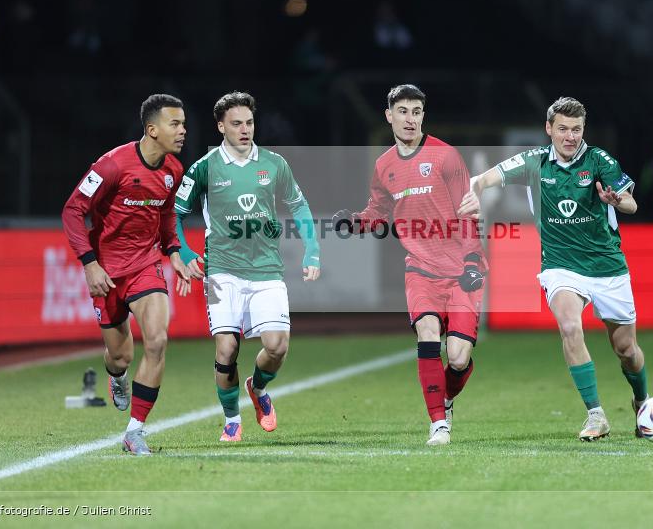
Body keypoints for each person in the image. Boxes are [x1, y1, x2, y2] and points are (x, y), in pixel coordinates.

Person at [459, 97, 648, 441]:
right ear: (549, 129)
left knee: (627, 352)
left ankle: (642, 401)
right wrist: (474, 192)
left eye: (576, 129)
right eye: (563, 129)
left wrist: (619, 201)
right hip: (561, 267)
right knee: (570, 326)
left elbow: (632, 202)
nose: (570, 136)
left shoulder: (598, 160)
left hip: (607, 266)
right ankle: (596, 416)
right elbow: (482, 179)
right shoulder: (534, 162)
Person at [333, 84, 486, 446]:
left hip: (462, 270)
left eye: (416, 111)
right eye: (402, 111)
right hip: (420, 269)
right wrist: (356, 223)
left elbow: (468, 213)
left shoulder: (446, 156)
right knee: (428, 335)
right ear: (389, 116)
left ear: (423, 116)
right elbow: (379, 212)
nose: (410, 119)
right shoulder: (383, 165)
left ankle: (444, 398)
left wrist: (471, 260)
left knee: (459, 358)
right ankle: (438, 423)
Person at [174, 91, 320, 442]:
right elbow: (175, 214)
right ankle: (231, 419)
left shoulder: (273, 164)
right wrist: (185, 253)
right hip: (221, 269)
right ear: (221, 126)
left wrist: (312, 250)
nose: (244, 129)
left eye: (249, 123)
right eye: (236, 123)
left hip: (266, 269)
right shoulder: (205, 167)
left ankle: (258, 387)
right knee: (226, 349)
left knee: (277, 346)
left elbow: (298, 207)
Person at [62, 94, 193, 455]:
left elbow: (166, 216)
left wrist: (174, 252)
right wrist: (89, 264)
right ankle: (117, 378)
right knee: (120, 356)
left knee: (157, 341)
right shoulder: (111, 166)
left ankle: (134, 431)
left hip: (145, 266)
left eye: (183, 124)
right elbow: (73, 211)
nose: (183, 131)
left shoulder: (174, 171)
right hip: (106, 271)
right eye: (175, 124)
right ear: (152, 130)